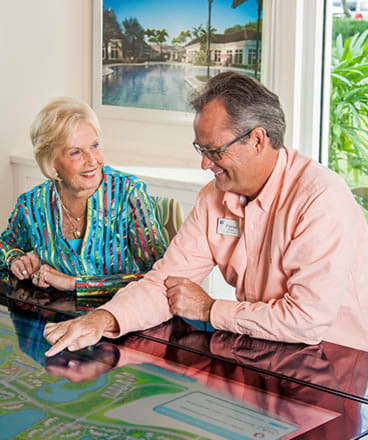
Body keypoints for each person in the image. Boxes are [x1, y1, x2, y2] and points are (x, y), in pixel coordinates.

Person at [44, 72, 368, 357]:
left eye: (214, 151)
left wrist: (210, 309)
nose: (205, 164)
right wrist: (104, 319)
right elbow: (163, 283)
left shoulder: (320, 198)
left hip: (336, 365)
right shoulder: (212, 198)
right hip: (262, 351)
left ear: (257, 139)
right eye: (201, 150)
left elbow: (306, 321)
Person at [0, 97, 167, 295]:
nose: (92, 161)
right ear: (50, 162)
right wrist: (16, 259)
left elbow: (159, 275)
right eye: (75, 152)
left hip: (122, 317)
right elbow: (6, 244)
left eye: (95, 146)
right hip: (57, 317)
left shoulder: (128, 193)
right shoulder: (33, 205)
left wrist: (75, 284)